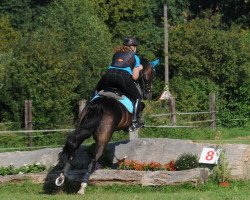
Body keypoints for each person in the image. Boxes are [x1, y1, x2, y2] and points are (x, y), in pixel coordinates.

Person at [93, 36, 144, 131]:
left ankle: (89, 109)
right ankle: (135, 122)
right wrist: (139, 68)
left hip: (108, 76)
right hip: (122, 78)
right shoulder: (135, 57)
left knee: (96, 90)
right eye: (135, 46)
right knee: (138, 97)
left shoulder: (116, 53)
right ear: (132, 47)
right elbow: (135, 77)